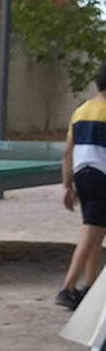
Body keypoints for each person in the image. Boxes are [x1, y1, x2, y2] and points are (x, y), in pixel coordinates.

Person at [57, 59, 106, 311]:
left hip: (82, 174)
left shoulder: (81, 110)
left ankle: (90, 286)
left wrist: (67, 185)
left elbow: (67, 152)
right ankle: (67, 287)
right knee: (91, 231)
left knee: (97, 231)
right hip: (101, 175)